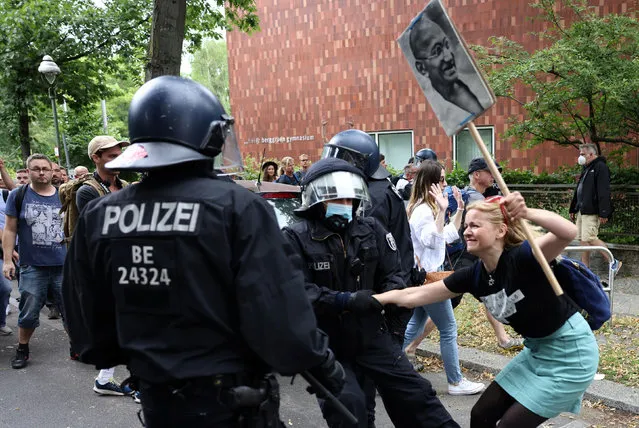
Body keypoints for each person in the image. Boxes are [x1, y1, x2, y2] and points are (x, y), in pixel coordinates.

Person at [62, 76, 345, 428]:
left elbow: (84, 312)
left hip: (157, 401)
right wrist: (323, 363)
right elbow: (277, 308)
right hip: (231, 402)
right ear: (205, 136)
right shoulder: (236, 207)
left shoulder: (101, 216)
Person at [375, 192, 599, 427]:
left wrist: (526, 213)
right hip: (536, 351)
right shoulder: (474, 276)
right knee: (481, 415)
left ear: (501, 231)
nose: (467, 231)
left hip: (572, 355)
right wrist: (370, 300)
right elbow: (413, 295)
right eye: (467, 225)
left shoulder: (523, 258)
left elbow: (568, 232)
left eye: (475, 225)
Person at [283, 157, 460, 428]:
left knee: (416, 395)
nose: (344, 206)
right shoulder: (295, 239)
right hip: (328, 343)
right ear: (316, 201)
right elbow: (298, 293)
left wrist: (387, 301)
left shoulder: (371, 229)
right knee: (349, 408)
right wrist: (347, 300)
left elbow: (394, 274)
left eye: (349, 200)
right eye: (335, 200)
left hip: (373, 335)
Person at [402, 160, 485, 396]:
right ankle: (455, 382)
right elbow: (432, 240)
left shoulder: (426, 207)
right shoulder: (422, 210)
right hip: (429, 278)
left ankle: (387, 372)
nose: (445, 183)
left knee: (413, 326)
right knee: (448, 329)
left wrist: (458, 209)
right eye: (441, 180)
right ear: (430, 183)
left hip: (427, 276)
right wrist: (441, 210)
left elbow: (448, 235)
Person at [70, 135, 132, 397]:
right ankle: (136, 380)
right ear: (95, 158)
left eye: (120, 154)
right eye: (111, 156)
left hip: (129, 262)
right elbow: (97, 233)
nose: (118, 159)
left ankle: (105, 379)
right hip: (105, 267)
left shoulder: (126, 185)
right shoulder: (87, 191)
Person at [2, 154, 66, 369]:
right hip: (32, 266)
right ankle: (22, 348)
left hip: (63, 265)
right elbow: (10, 230)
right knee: (28, 312)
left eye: (45, 169)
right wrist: (7, 260)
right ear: (28, 172)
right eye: (36, 169)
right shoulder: (18, 195)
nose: (41, 172)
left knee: (71, 309)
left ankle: (78, 346)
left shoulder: (64, 194)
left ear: (52, 171)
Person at [409, 15, 484, 115]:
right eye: (437, 51)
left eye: (446, 44)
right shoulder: (436, 112)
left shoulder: (477, 85)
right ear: (422, 68)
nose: (448, 57)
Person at [569, 144, 621, 272]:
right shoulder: (586, 168)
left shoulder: (600, 167)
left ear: (591, 154)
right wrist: (573, 208)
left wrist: (604, 212)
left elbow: (603, 191)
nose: (580, 157)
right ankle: (585, 268)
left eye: (583, 154)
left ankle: (613, 262)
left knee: (590, 237)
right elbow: (579, 190)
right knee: (583, 239)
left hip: (592, 210)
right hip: (583, 209)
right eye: (580, 154)